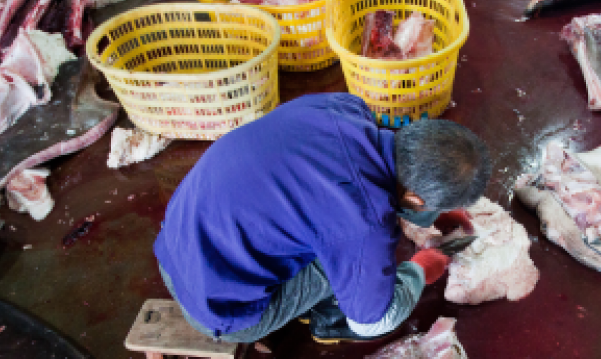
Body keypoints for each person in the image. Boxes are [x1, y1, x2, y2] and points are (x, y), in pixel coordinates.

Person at [154, 93, 492, 344]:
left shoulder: (341, 107)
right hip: (217, 306)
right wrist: (420, 270)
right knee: (355, 271)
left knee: (314, 222)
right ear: (417, 198)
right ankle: (326, 318)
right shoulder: (366, 223)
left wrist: (431, 198)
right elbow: (373, 322)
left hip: (176, 240)